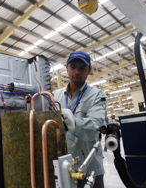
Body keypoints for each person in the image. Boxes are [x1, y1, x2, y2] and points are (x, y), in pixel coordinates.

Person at [54, 51, 107, 188]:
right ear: (67, 68)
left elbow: (95, 127)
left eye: (82, 68)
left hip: (89, 169)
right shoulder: (55, 96)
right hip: (61, 168)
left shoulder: (97, 96)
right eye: (73, 66)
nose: (77, 71)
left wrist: (74, 123)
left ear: (89, 70)